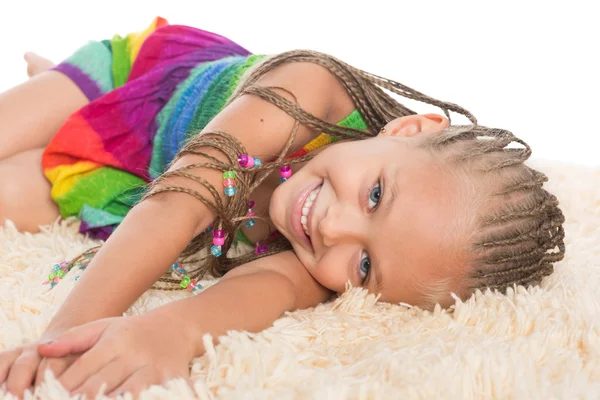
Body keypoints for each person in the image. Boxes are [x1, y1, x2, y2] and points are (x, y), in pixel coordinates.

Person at [0, 17, 565, 398]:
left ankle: (58, 113)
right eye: (375, 196)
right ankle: (60, 81)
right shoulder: (310, 87)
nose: (333, 227)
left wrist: (169, 332)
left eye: (365, 265)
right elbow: (183, 198)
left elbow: (269, 285)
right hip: (149, 87)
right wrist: (61, 339)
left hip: (130, 173)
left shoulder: (332, 261)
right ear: (409, 128)